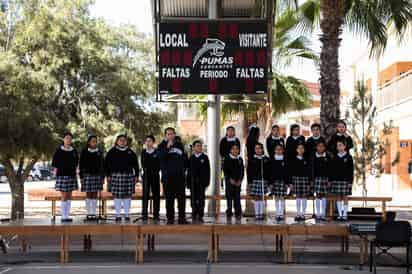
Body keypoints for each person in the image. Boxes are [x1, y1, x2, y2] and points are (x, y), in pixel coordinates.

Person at [105, 134, 139, 222]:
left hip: (128, 176)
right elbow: (106, 164)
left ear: (126, 142)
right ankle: (118, 215)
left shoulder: (130, 152)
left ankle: (127, 214)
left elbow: (136, 165)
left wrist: (136, 176)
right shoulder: (112, 151)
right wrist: (108, 175)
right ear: (117, 141)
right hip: (116, 176)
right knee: (117, 196)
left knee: (127, 195)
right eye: (120, 140)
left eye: (124, 140)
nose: (122, 141)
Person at [158, 127, 187, 224]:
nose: (170, 135)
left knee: (181, 199)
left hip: (179, 177)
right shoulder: (161, 145)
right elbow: (161, 157)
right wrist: (167, 147)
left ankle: (182, 218)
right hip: (168, 177)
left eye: (172, 133)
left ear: (174, 135)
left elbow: (184, 159)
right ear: (165, 135)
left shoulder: (179, 145)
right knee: (169, 199)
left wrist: (183, 170)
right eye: (168, 134)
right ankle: (170, 218)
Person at [52, 132, 79, 222]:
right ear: (63, 139)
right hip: (62, 175)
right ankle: (63, 216)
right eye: (67, 138)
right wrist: (64, 165)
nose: (68, 140)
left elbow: (76, 162)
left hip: (71, 175)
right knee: (64, 195)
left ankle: (67, 215)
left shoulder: (74, 150)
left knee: (69, 195)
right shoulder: (59, 150)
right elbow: (54, 163)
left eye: (70, 138)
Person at [79, 134, 105, 221]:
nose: (94, 142)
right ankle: (88, 213)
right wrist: (81, 176)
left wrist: (102, 176)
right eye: (92, 141)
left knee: (95, 194)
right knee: (88, 194)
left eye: (95, 141)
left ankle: (93, 213)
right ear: (89, 142)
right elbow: (81, 165)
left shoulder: (99, 152)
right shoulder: (84, 152)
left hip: (97, 175)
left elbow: (102, 165)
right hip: (87, 175)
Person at [330, 140, 354, 221]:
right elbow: (332, 170)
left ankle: (345, 214)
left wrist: (350, 182)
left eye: (340, 145)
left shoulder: (349, 157)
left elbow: (351, 171)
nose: (339, 147)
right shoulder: (334, 157)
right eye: (338, 146)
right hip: (336, 180)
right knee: (338, 197)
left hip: (345, 181)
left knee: (345, 197)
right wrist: (331, 180)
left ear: (344, 146)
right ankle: (340, 215)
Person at [187, 140, 210, 223]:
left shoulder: (205, 157)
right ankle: (194, 212)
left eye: (200, 146)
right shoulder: (191, 158)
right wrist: (188, 183)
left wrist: (207, 182)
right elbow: (188, 172)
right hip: (193, 182)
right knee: (193, 198)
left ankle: (200, 214)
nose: (199, 147)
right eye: (197, 146)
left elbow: (208, 171)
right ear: (193, 148)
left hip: (202, 182)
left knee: (201, 199)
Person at [248, 143, 271, 220]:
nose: (258, 150)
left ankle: (261, 213)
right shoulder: (252, 159)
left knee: (262, 197)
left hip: (263, 180)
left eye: (259, 148)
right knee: (256, 198)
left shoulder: (266, 159)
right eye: (256, 148)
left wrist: (269, 182)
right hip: (255, 180)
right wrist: (249, 182)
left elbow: (268, 171)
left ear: (262, 149)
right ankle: (257, 214)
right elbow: (249, 171)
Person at [140, 135, 161, 221]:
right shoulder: (143, 152)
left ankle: (156, 214)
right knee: (145, 195)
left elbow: (159, 164)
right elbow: (143, 164)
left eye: (150, 141)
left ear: (153, 142)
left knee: (156, 194)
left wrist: (154, 169)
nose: (148, 143)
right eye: (147, 141)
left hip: (155, 175)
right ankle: (144, 213)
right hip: (146, 175)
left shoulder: (157, 152)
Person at [289, 143, 311, 222]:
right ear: (296, 150)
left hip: (305, 179)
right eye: (299, 148)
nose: (300, 150)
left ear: (304, 150)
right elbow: (291, 172)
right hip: (296, 179)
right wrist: (291, 183)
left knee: (304, 196)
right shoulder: (293, 160)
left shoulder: (307, 159)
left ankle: (303, 214)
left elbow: (309, 171)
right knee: (298, 196)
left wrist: (309, 182)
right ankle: (298, 213)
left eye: (302, 148)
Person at [223, 144, 244, 220]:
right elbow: (225, 170)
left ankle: (238, 212)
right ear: (230, 150)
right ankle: (229, 212)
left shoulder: (240, 159)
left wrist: (240, 180)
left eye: (237, 149)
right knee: (229, 198)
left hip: (238, 182)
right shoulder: (227, 158)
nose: (235, 150)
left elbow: (242, 171)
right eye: (233, 149)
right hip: (229, 182)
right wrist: (230, 179)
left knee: (237, 198)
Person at [310, 140, 330, 221]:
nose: (320, 148)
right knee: (318, 195)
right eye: (319, 146)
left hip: (325, 178)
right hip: (316, 178)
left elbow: (329, 169)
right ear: (316, 147)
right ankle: (318, 214)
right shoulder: (313, 157)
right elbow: (311, 169)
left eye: (322, 146)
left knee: (324, 195)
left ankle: (323, 214)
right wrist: (312, 179)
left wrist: (329, 180)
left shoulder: (327, 157)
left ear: (324, 147)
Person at [269, 144, 288, 222]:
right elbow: (270, 172)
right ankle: (277, 213)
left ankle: (281, 214)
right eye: (277, 149)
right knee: (276, 198)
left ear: (283, 150)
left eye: (280, 149)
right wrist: (271, 183)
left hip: (283, 182)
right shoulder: (272, 160)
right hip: (275, 182)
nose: (279, 151)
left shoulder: (285, 160)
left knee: (282, 198)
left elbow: (287, 172)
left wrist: (287, 183)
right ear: (274, 151)